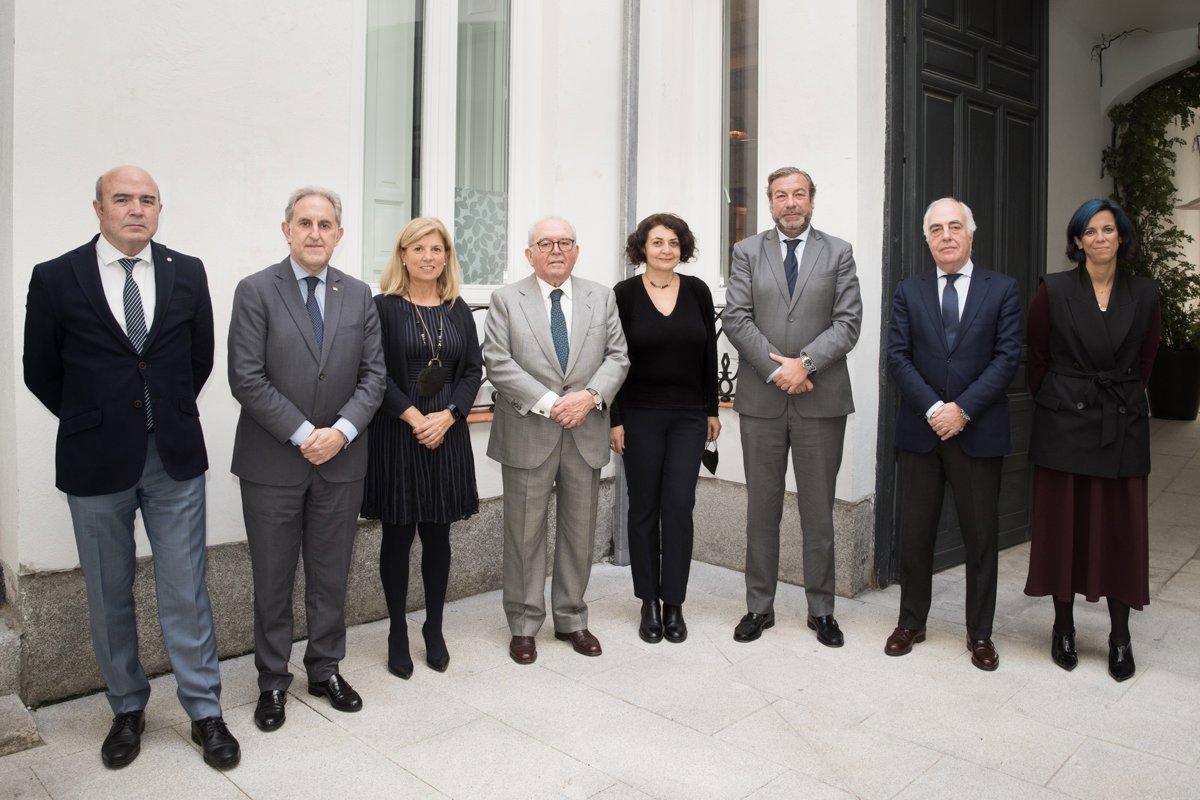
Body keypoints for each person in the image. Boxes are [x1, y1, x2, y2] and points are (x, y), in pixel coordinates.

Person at [22, 166, 239, 770]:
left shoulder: (186, 271)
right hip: (94, 460)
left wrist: (158, 413)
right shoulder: (56, 276)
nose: (136, 209)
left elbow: (198, 360)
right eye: (122, 199)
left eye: (147, 200)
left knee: (186, 589)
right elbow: (40, 370)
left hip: (173, 456)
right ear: (98, 209)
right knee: (107, 590)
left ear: (160, 209)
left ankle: (205, 711)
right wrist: (97, 418)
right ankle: (126, 708)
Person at [228, 187, 385, 730]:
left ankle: (325, 669)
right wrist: (302, 434)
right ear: (287, 230)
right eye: (304, 223)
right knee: (273, 578)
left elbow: (374, 376)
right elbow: (246, 377)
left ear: (339, 234)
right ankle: (272, 681)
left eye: (325, 224)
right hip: (272, 464)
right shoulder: (256, 290)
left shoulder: (358, 294)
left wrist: (340, 432)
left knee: (330, 575)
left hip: (342, 462)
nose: (315, 233)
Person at [722, 166, 862, 647]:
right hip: (762, 401)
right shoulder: (746, 251)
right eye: (781, 195)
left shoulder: (838, 252)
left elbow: (848, 323)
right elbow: (736, 317)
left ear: (812, 199)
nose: (790, 203)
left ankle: (822, 610)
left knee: (818, 513)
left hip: (820, 400)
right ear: (770, 202)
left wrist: (804, 364)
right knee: (761, 510)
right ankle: (759, 607)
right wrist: (776, 369)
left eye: (798, 194)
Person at [483, 216, 629, 665]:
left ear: (576, 251)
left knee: (579, 533)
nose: (556, 250)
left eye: (565, 242)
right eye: (545, 243)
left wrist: (589, 397)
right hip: (529, 432)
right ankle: (524, 624)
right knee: (524, 535)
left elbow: (618, 356)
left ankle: (571, 618)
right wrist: (551, 403)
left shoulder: (601, 297)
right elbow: (498, 361)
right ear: (529, 254)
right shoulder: (506, 299)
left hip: (585, 430)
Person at [1024, 198, 1160, 682]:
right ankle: (1063, 629)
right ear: (1077, 241)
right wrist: (1064, 400)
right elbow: (1036, 356)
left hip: (1121, 422)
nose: (1100, 238)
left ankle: (1120, 637)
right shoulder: (1054, 289)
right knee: (1064, 528)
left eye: (1108, 229)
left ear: (1121, 237)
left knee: (1121, 531)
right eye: (1090, 231)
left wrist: (1117, 399)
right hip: (1065, 422)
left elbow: (1146, 359)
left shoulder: (1145, 292)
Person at [884, 197, 1022, 671]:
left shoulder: (1002, 289)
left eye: (955, 227)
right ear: (927, 239)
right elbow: (898, 357)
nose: (946, 236)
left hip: (977, 432)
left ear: (970, 233)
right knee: (915, 535)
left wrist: (962, 410)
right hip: (921, 434)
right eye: (936, 229)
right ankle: (911, 622)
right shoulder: (909, 290)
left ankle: (980, 633)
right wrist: (934, 409)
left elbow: (1007, 358)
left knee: (981, 538)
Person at [361, 217, 482, 679]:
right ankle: (397, 629)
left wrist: (449, 415)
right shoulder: (383, 308)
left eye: (436, 249)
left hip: (446, 433)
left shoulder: (457, 308)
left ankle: (434, 626)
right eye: (418, 249)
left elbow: (471, 371)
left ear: (446, 257)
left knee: (438, 536)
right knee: (397, 536)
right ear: (403, 256)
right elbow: (373, 372)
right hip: (399, 432)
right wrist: (414, 417)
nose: (428, 257)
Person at [609, 213, 720, 644]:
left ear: (682, 248)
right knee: (643, 509)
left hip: (689, 417)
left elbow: (709, 355)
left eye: (673, 242)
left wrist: (711, 410)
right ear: (643, 247)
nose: (666, 249)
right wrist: (616, 419)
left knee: (678, 505)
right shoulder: (624, 294)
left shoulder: (698, 291)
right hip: (639, 415)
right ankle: (648, 603)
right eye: (657, 242)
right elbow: (614, 360)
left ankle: (674, 602)